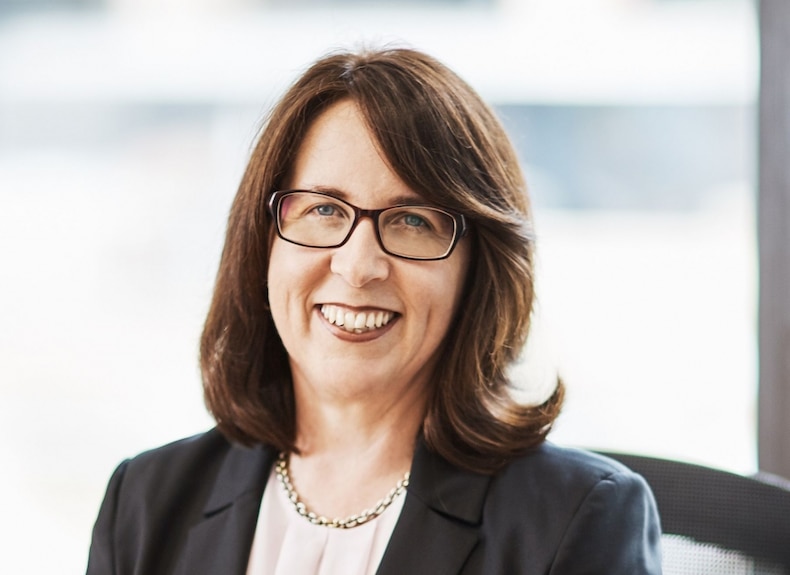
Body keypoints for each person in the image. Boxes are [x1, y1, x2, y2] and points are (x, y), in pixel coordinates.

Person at [86, 47, 662, 574]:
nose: (358, 266)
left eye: (413, 221)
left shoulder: (576, 519)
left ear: (476, 270)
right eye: (323, 211)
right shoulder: (145, 500)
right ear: (263, 242)